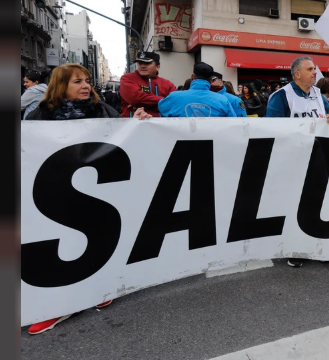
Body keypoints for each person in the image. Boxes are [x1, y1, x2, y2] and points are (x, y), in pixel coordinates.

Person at [24, 64, 150, 335]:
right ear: (60, 85)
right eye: (77, 81)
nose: (85, 86)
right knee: (61, 246)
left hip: (99, 191)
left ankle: (99, 288)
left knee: (100, 239)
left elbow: (125, 139)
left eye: (87, 81)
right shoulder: (38, 116)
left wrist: (138, 123)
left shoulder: (103, 110)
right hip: (56, 192)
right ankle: (57, 306)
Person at [266, 57, 329, 268]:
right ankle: (295, 248)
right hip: (293, 161)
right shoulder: (281, 97)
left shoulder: (319, 95)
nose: (315, 72)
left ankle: (319, 245)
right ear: (297, 74)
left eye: (315, 69)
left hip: (318, 158)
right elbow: (272, 130)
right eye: (310, 69)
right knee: (294, 205)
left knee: (318, 202)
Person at [158, 63, 241, 117]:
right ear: (210, 80)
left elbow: (161, 108)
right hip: (212, 139)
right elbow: (233, 121)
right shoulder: (223, 100)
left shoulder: (174, 97)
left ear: (192, 77)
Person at [119, 52, 176, 117]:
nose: (142, 66)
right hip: (134, 123)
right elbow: (135, 98)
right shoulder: (127, 78)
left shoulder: (168, 84)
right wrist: (164, 101)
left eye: (147, 63)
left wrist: (141, 104)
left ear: (157, 67)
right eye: (140, 63)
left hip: (162, 123)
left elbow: (174, 104)